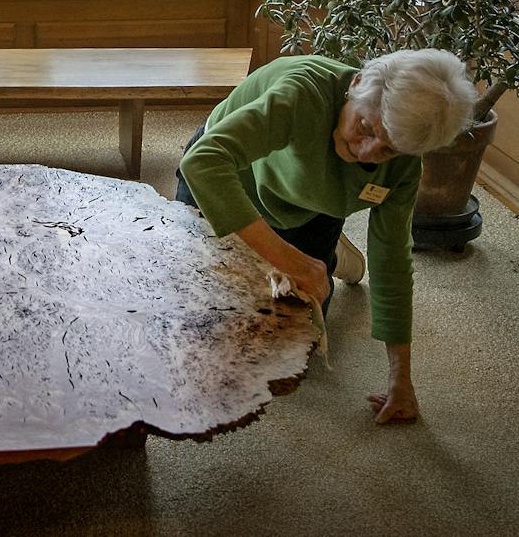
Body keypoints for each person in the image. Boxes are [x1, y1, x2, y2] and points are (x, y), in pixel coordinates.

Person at [176, 49, 476, 425]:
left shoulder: (403, 162)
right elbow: (203, 163)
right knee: (202, 321)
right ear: (355, 85)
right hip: (231, 180)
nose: (365, 151)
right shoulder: (300, 92)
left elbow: (393, 258)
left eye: (388, 149)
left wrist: (401, 376)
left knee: (291, 345)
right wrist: (294, 262)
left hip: (313, 206)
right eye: (366, 128)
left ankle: (323, 250)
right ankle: (313, 255)